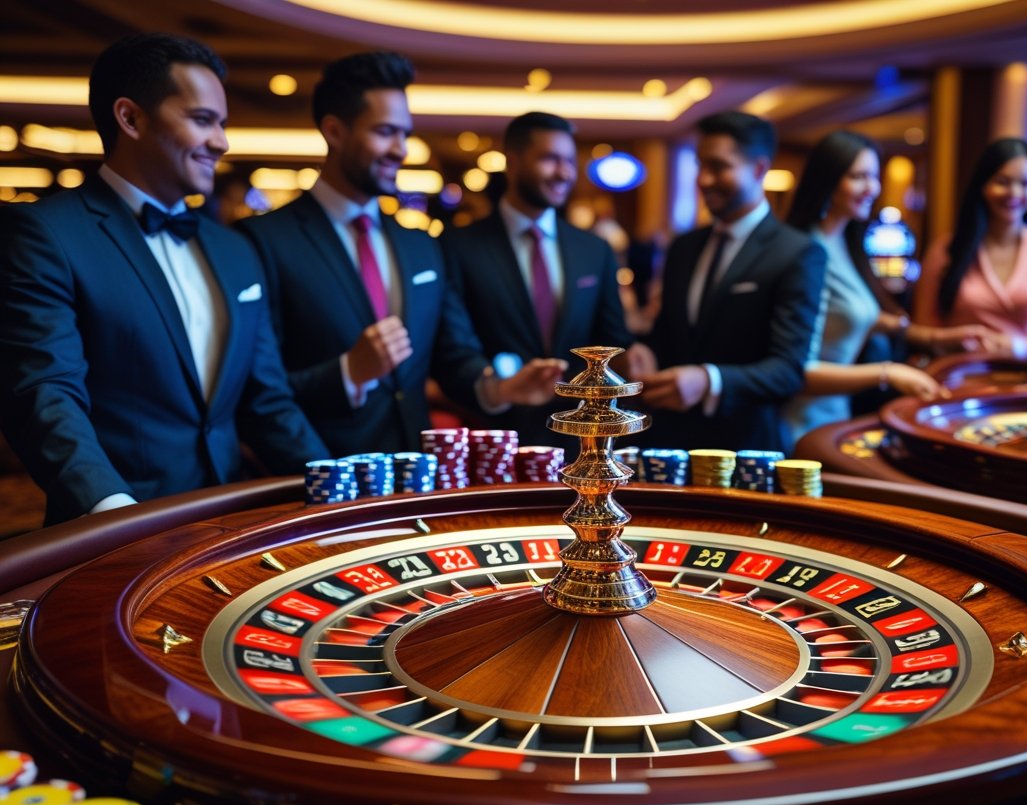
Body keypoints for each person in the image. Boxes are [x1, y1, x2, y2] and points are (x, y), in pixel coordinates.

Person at [0, 33, 327, 525]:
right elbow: (46, 394)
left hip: (224, 523)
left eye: (222, 124)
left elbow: (268, 402)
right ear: (130, 118)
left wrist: (338, 492)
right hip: (111, 530)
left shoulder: (235, 249)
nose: (221, 142)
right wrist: (113, 513)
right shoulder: (46, 233)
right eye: (202, 120)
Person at [239, 54, 562, 457]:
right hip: (319, 480)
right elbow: (258, 392)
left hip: (414, 479)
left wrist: (498, 388)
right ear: (335, 131)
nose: (401, 149)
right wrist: (347, 374)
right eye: (385, 132)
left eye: (404, 134)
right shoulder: (262, 240)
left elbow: (452, 355)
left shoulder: (421, 245)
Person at [782, 130, 994, 440]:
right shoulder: (807, 252)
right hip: (797, 422)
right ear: (827, 181)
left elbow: (848, 315)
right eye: (859, 177)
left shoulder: (843, 241)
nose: (872, 188)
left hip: (832, 416)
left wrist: (938, 337)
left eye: (874, 176)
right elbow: (797, 370)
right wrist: (888, 373)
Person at [632, 111, 824, 453]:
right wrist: (644, 351)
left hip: (743, 448)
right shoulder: (684, 246)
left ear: (759, 169)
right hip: (667, 443)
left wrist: (709, 380)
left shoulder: (797, 252)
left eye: (719, 167)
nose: (704, 180)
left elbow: (788, 370)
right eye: (700, 166)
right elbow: (668, 335)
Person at [441, 111, 636, 445]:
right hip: (494, 434)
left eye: (569, 162)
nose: (563, 173)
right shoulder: (457, 246)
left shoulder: (594, 250)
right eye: (550, 159)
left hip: (581, 439)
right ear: (512, 163)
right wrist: (498, 388)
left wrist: (634, 356)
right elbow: (453, 349)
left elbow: (612, 340)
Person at [913, 138, 1027, 364]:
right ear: (982, 185)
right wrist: (953, 340)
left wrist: (1019, 348)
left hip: (1023, 387)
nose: (1015, 192)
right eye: (1003, 181)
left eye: (1026, 183)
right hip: (956, 382)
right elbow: (922, 333)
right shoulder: (945, 249)